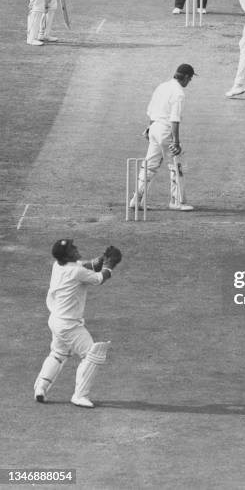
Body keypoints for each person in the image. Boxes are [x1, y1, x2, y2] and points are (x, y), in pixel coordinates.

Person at [34, 240, 122, 408]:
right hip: (68, 325)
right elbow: (98, 278)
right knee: (93, 354)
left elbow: (87, 265)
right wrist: (110, 265)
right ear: (67, 255)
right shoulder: (75, 272)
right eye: (72, 248)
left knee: (58, 353)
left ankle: (40, 387)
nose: (76, 249)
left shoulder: (59, 265)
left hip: (56, 320)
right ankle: (80, 396)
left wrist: (101, 259)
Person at [130, 64, 196, 212]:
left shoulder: (162, 86)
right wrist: (176, 141)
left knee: (150, 165)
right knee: (176, 164)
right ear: (185, 77)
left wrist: (149, 129)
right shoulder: (179, 93)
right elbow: (174, 119)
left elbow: (152, 110)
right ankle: (177, 201)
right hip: (165, 130)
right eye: (190, 79)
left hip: (154, 128)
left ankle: (136, 200)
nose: (189, 82)